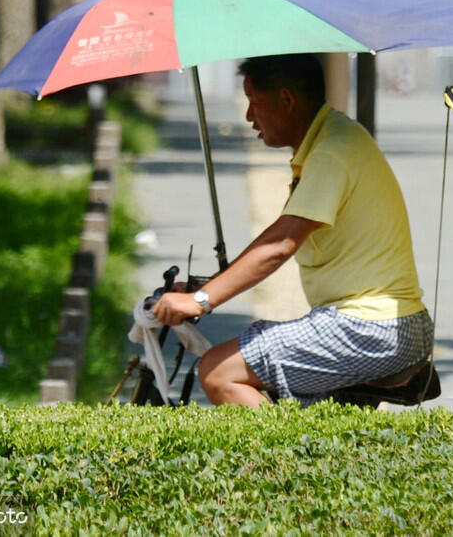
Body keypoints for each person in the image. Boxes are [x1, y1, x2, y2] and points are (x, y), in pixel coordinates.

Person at [151, 53, 433, 407]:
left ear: (286, 99)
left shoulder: (333, 150)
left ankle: (278, 463)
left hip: (370, 328)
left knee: (219, 371)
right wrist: (206, 288)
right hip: (384, 326)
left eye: (254, 102)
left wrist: (200, 301)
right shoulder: (330, 141)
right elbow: (273, 241)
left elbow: (280, 245)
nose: (248, 116)